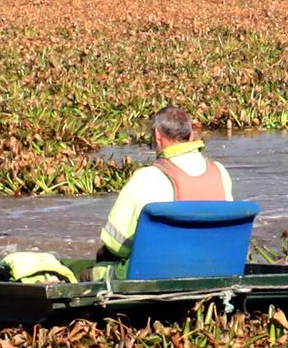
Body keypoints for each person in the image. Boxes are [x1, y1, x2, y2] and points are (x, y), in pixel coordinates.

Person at [98, 106, 234, 260]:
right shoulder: (219, 171)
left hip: (159, 273)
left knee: (94, 268)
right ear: (191, 135)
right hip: (215, 266)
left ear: (157, 135)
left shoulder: (145, 177)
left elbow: (116, 245)